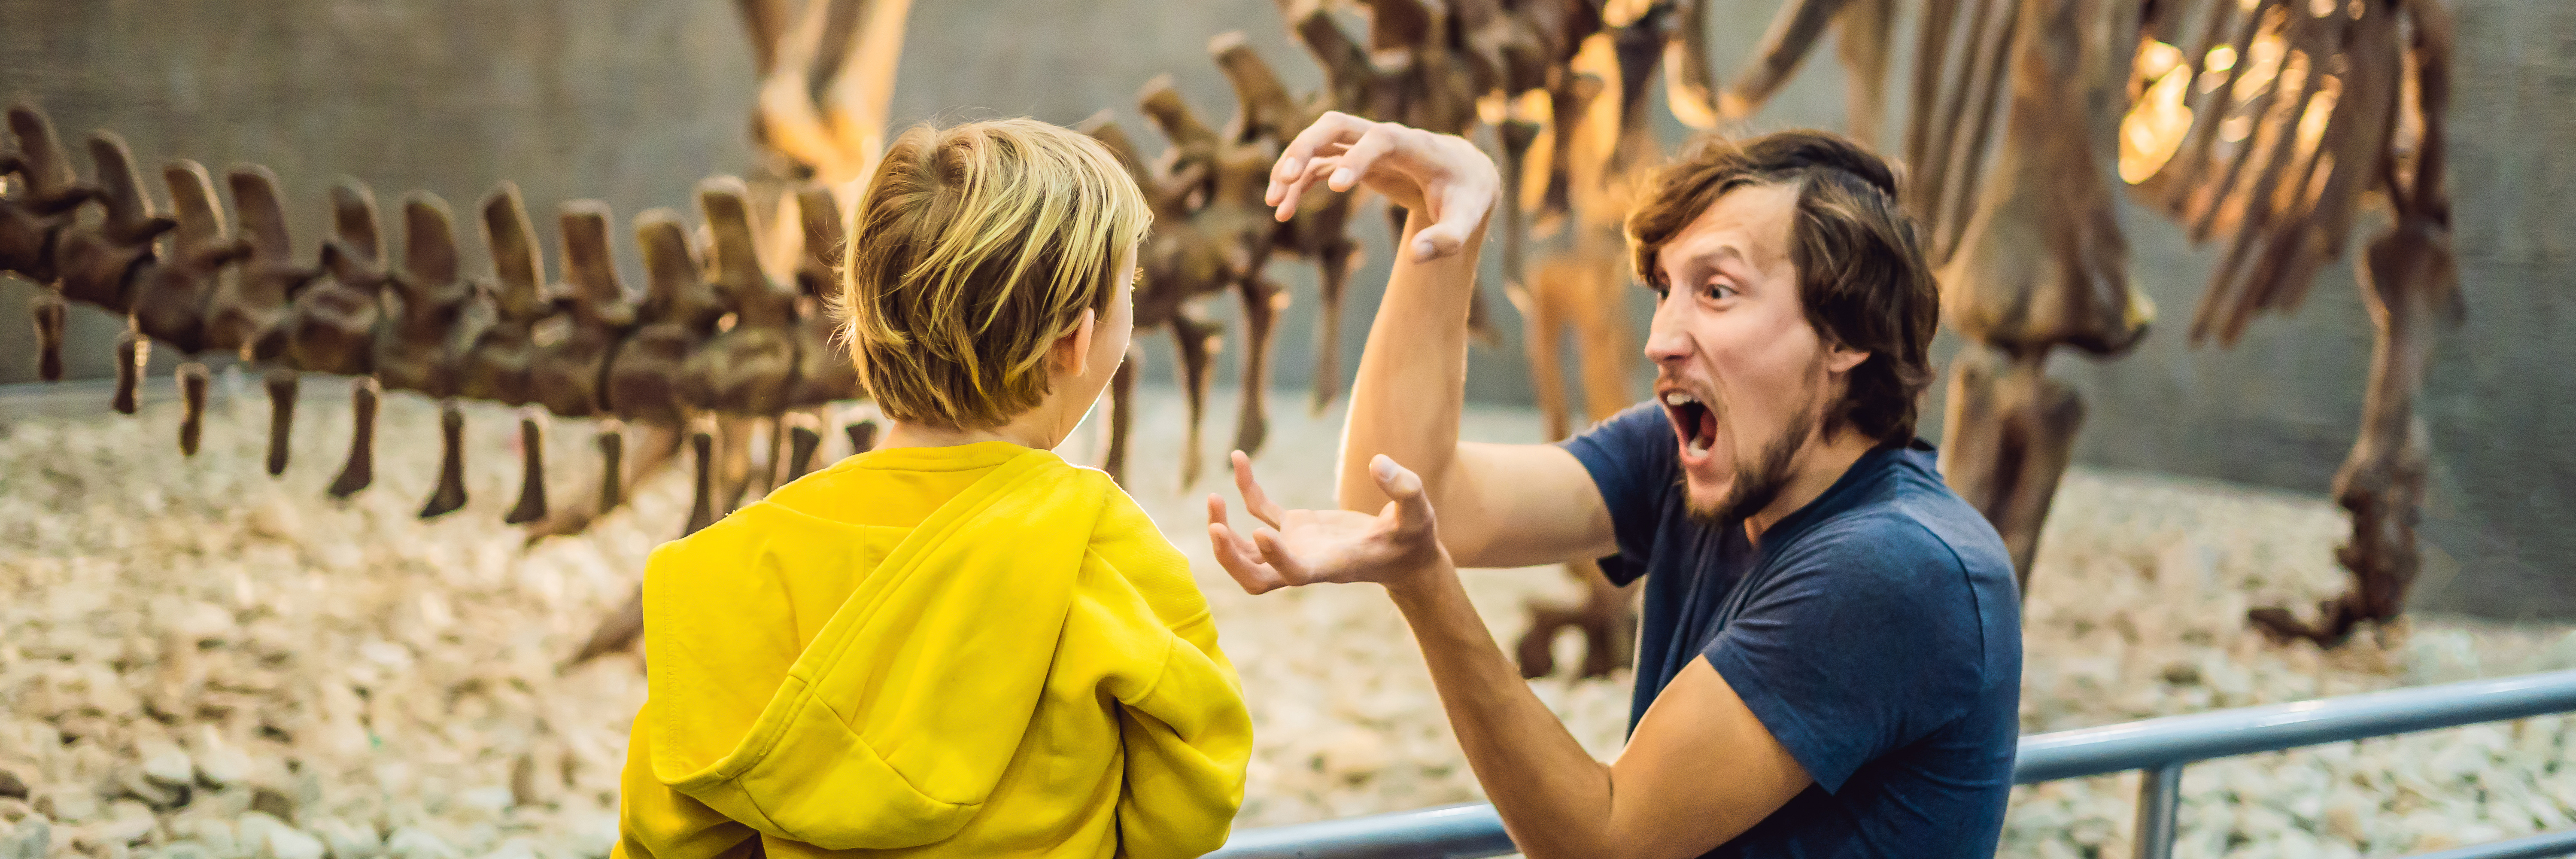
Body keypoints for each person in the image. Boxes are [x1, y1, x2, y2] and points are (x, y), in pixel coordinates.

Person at [1206, 113, 2021, 857]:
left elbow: (1605, 843)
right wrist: (1442, 218)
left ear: (1846, 333)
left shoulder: (1900, 568)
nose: (1662, 338)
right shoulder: (1689, 462)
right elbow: (1404, 496)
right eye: (1665, 291)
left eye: (1717, 291)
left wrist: (1426, 585)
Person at [616, 118, 1252, 859]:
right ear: (1076, 343)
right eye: (1128, 290)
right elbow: (1195, 799)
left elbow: (660, 831)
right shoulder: (1100, 550)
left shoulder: (729, 565)